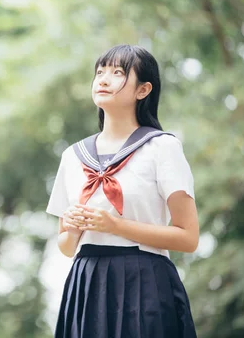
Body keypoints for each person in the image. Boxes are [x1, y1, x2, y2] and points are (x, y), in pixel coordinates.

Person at [45, 44, 199, 338]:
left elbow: (189, 237)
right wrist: (75, 229)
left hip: (144, 280)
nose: (103, 80)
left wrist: (116, 225)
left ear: (143, 90)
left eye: (117, 73)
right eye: (100, 72)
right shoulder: (73, 156)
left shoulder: (162, 147)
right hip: (87, 282)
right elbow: (65, 247)